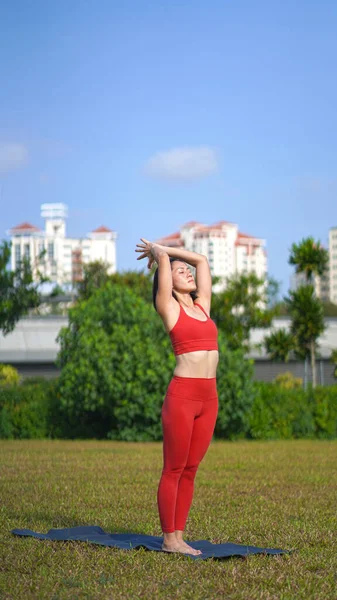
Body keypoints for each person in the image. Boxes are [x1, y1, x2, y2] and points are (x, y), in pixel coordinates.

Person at [135, 238, 219, 556]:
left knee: (191, 469)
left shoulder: (202, 307)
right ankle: (169, 539)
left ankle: (180, 535)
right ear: (168, 282)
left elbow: (202, 261)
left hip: (208, 400)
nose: (187, 272)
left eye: (187, 270)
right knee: (174, 467)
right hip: (182, 398)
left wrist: (167, 249)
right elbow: (171, 269)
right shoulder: (168, 308)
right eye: (179, 270)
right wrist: (161, 255)